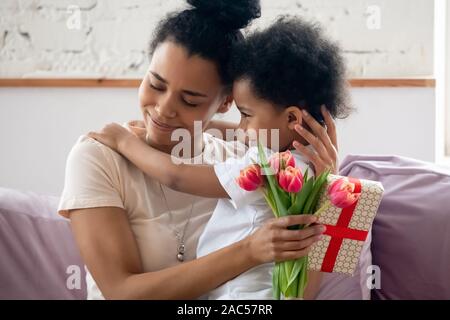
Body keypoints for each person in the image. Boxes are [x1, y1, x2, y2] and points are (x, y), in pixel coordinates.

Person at [87, 16, 350, 299]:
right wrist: (194, 124)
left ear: (292, 118)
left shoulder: (269, 166)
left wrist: (124, 141)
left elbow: (177, 175)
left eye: (245, 115)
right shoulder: (305, 166)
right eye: (157, 84)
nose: (240, 127)